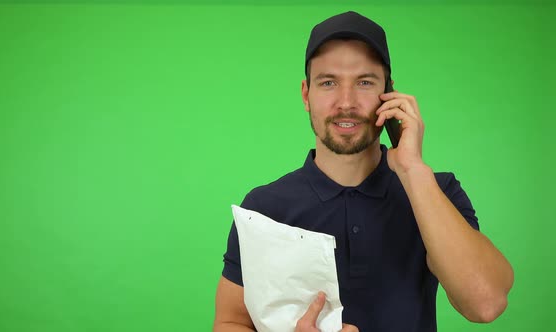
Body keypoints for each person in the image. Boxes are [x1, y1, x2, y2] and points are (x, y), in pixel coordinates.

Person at [213, 11, 514, 332]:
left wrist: (413, 170)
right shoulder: (264, 207)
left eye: (365, 82)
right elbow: (231, 321)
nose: (346, 102)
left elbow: (486, 303)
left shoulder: (434, 191)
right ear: (306, 94)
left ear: (390, 93)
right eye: (328, 82)